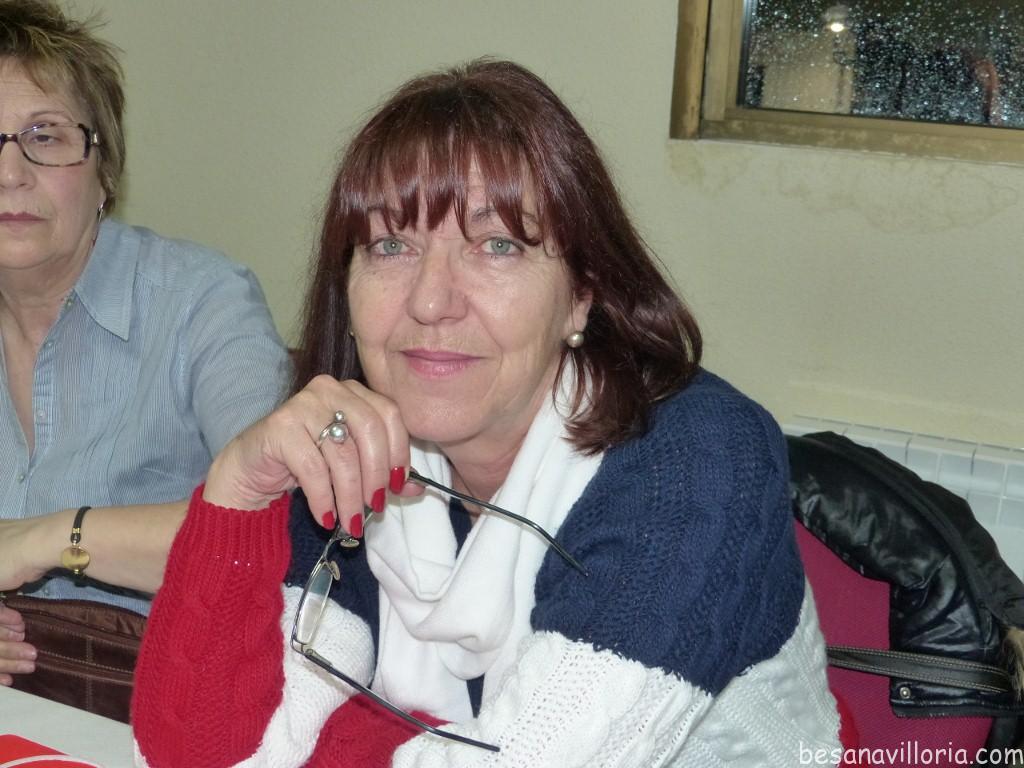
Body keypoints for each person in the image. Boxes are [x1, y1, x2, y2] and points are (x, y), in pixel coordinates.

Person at [131, 59, 841, 767]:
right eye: (390, 246)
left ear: (582, 295)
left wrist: (349, 741)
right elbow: (197, 754)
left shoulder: (697, 458)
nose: (430, 301)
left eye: (496, 245)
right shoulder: (348, 449)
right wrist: (236, 492)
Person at [0, 0, 289, 687]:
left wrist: (52, 538)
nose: (10, 172)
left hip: (163, 701)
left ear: (106, 172)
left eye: (45, 135)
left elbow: (275, 528)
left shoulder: (204, 302)